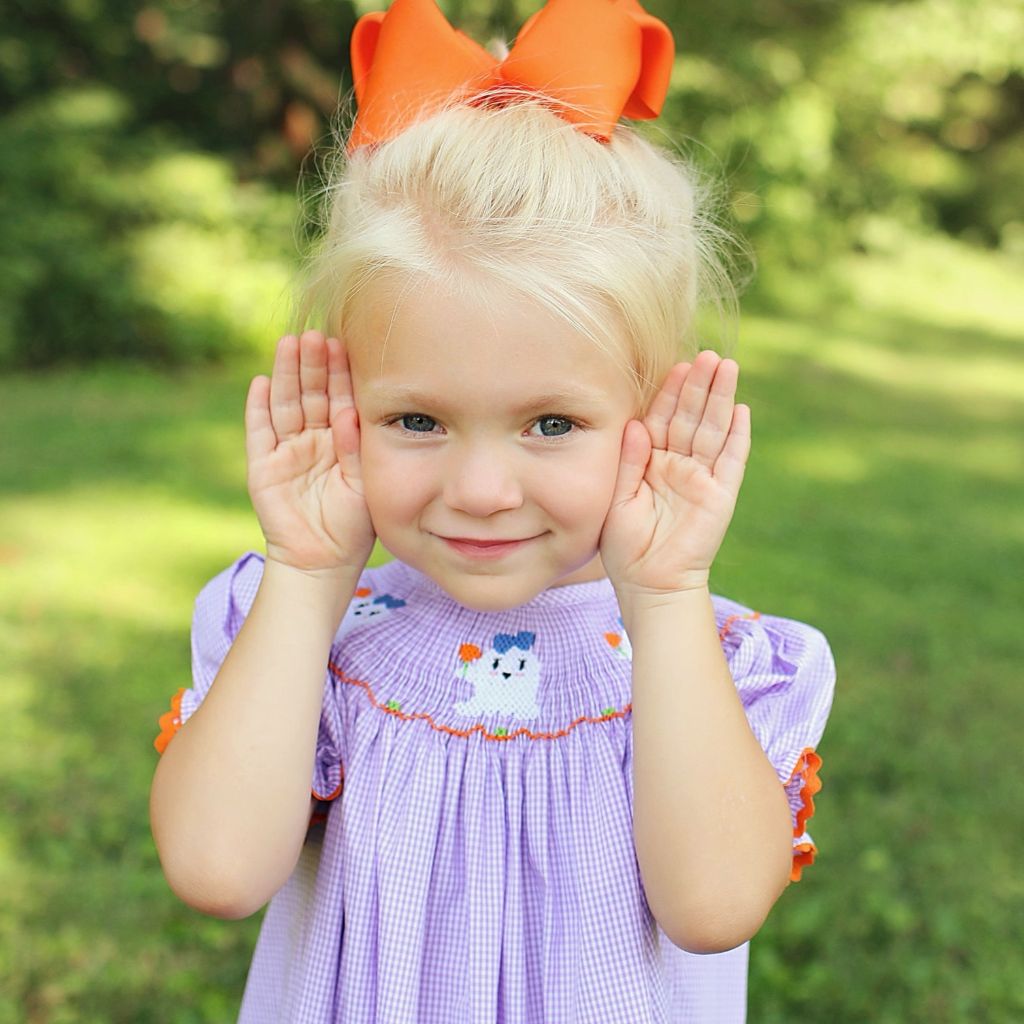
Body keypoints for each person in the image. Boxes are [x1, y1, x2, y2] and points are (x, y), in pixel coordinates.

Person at [149, 0, 836, 1020]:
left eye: (551, 424)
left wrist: (663, 596)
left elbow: (712, 905)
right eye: (417, 418)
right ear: (349, 404)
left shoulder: (719, 659)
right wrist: (303, 578)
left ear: (649, 414)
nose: (478, 489)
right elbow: (216, 869)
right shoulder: (315, 638)